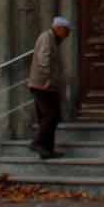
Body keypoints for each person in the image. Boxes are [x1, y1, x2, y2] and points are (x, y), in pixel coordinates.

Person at [27, 16, 72, 159]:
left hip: (45, 84)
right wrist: (47, 78)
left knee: (49, 116)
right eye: (67, 31)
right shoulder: (47, 37)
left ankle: (46, 150)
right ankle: (37, 143)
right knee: (51, 115)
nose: (68, 35)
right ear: (59, 28)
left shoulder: (53, 38)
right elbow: (43, 59)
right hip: (43, 84)